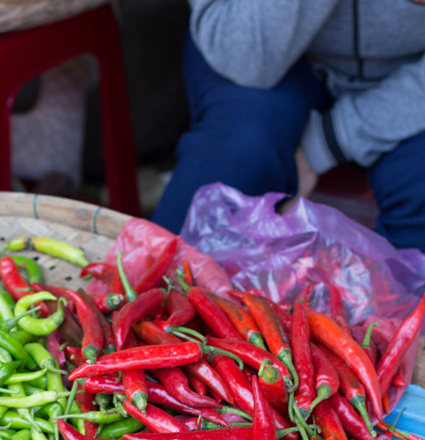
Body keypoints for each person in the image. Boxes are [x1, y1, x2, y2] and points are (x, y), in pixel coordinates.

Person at [152, 0, 425, 252]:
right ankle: (147, 297)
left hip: (412, 71)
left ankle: (385, 303)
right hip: (259, 48)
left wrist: (328, 141)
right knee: (240, 155)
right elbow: (243, 57)